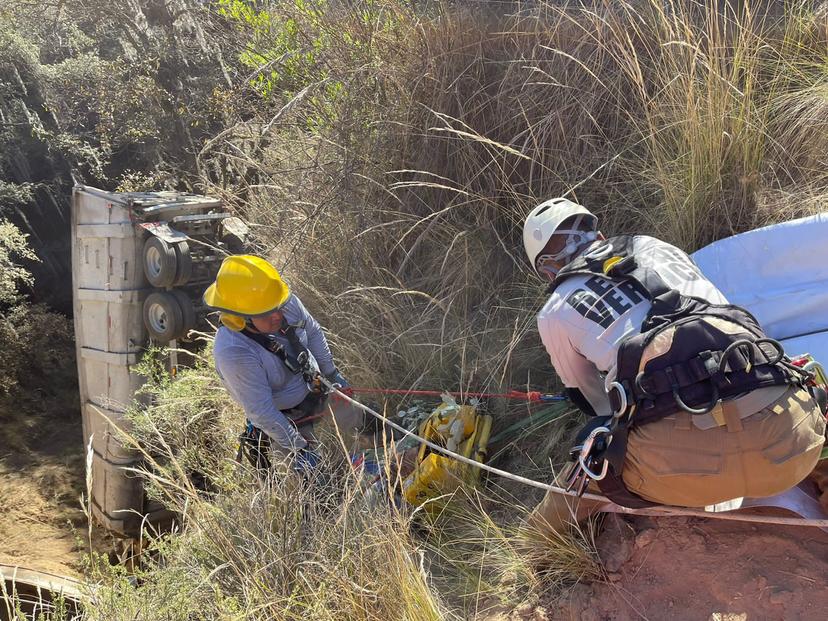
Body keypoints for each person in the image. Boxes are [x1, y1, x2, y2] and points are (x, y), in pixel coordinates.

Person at [522, 197, 827, 533]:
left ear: (547, 270)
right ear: (598, 235)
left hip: (686, 478)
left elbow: (594, 404)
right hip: (792, 449)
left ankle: (531, 547)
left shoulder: (553, 311)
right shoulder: (650, 246)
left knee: (587, 465)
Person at [203, 255, 359, 474]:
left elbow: (313, 331)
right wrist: (300, 447)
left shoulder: (280, 301)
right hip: (284, 420)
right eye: (267, 313)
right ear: (241, 318)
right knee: (317, 479)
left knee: (362, 427)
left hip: (316, 388)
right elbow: (262, 411)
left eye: (278, 306)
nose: (278, 315)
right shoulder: (234, 353)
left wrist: (332, 374)